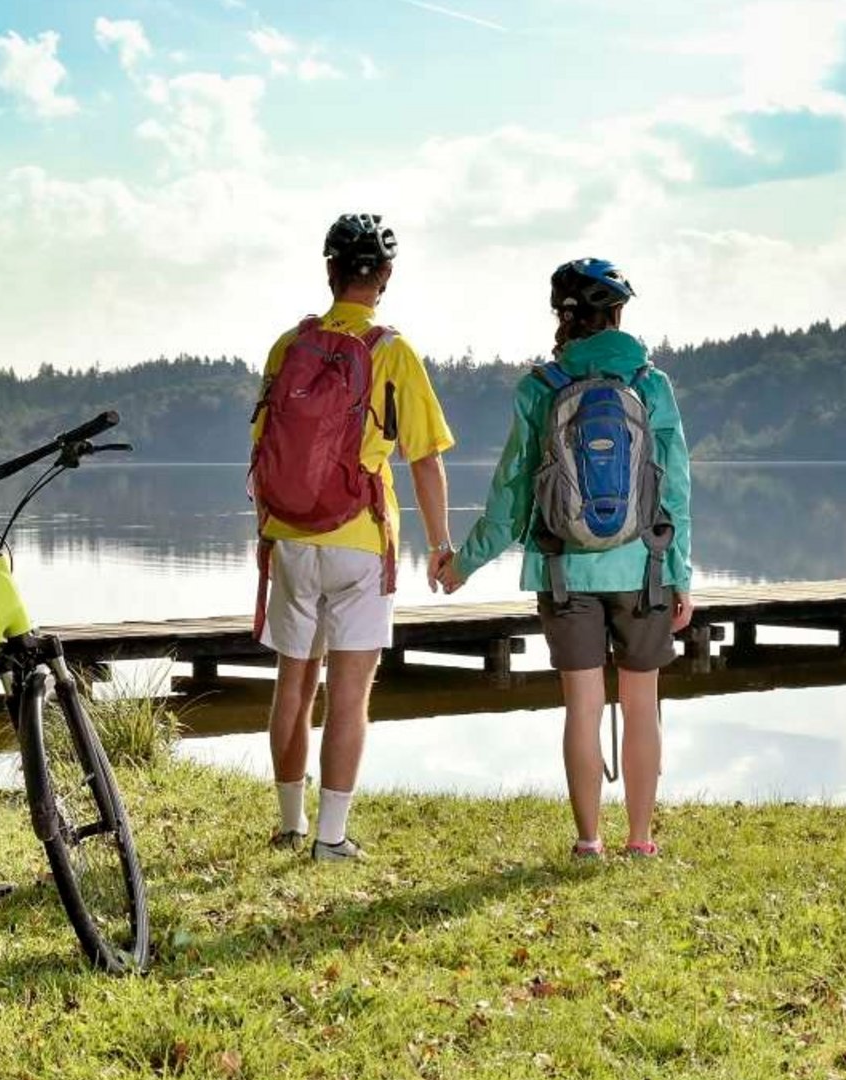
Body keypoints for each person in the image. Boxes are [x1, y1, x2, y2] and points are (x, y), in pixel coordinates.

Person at [436, 258, 693, 859]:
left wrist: (463, 563)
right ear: (618, 316)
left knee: (581, 704)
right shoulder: (651, 386)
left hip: (562, 569)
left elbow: (511, 494)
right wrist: (679, 573)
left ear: (564, 318)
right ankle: (640, 841)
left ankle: (587, 841)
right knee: (640, 705)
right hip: (644, 568)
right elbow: (675, 489)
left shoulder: (540, 388)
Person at [251, 213, 456, 862]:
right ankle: (330, 838)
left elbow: (263, 448)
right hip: (360, 540)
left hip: (288, 534)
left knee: (293, 682)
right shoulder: (392, 350)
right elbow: (424, 459)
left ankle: (288, 823)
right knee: (348, 694)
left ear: (329, 271)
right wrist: (441, 542)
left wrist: (269, 531)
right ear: (385, 277)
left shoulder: (288, 346)